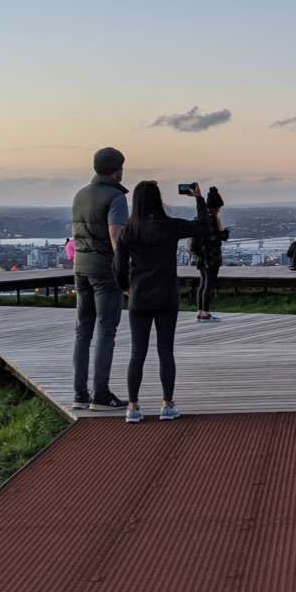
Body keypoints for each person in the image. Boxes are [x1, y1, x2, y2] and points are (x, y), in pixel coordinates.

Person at [115, 181, 213, 423]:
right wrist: (198, 199)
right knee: (165, 351)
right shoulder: (169, 226)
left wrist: (127, 288)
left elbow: (118, 267)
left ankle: (133, 407)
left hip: (139, 296)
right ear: (157, 199)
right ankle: (167, 404)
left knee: (137, 352)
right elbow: (202, 226)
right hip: (166, 294)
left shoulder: (128, 230)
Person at [70, 147, 128, 411]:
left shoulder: (80, 194)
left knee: (83, 331)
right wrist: (125, 271)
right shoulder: (115, 196)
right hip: (104, 271)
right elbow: (116, 237)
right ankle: (101, 394)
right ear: (118, 170)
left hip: (80, 268)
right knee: (106, 329)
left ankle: (80, 394)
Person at [192, 186, 229, 321]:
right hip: (211, 257)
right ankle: (206, 312)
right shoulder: (211, 219)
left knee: (202, 283)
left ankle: (200, 311)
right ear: (214, 207)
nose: (219, 210)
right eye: (218, 207)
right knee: (209, 284)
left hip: (202, 256)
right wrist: (223, 234)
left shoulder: (201, 217)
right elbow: (212, 238)